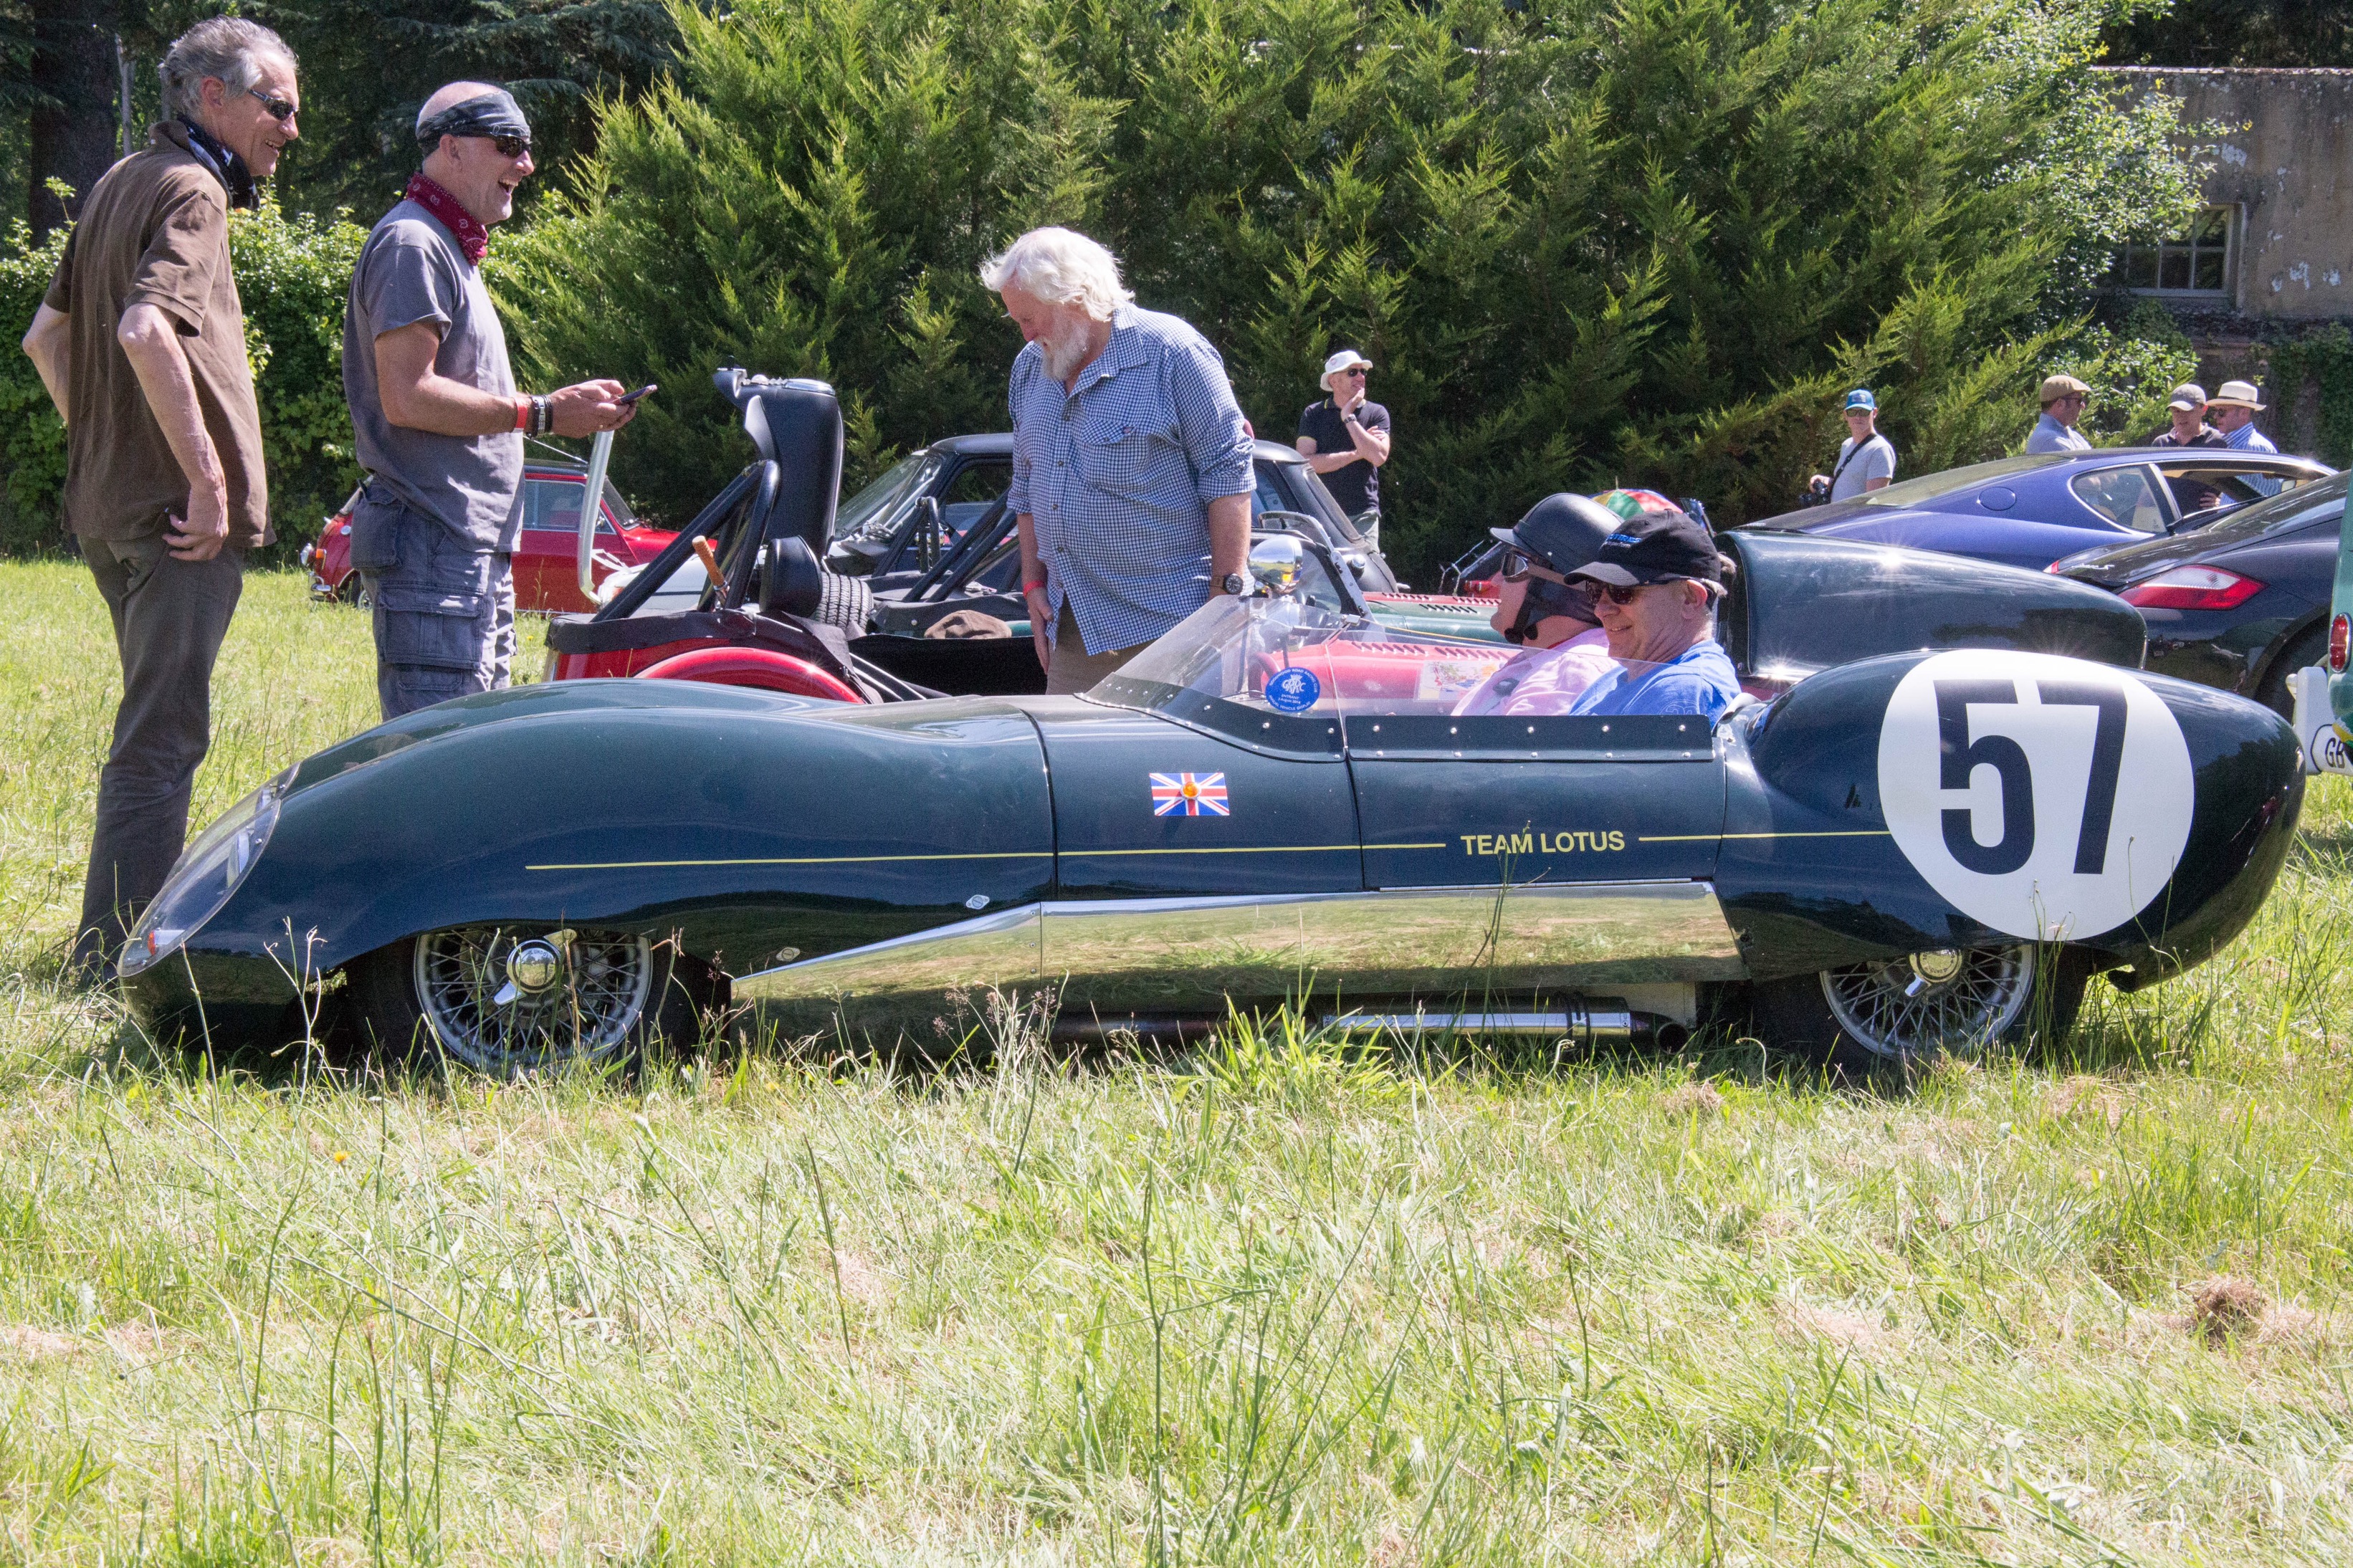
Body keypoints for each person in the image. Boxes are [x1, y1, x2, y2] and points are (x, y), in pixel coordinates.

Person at [18, 18, 300, 984]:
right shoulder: (192, 188)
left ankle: (111, 947)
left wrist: (109, 446)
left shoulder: (118, 182)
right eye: (278, 106)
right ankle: (113, 964)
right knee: (161, 741)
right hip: (176, 522)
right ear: (213, 97)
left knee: (152, 731)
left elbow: (45, 339)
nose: (291, 128)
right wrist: (206, 479)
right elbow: (146, 329)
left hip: (115, 510)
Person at [342, 81, 636, 720]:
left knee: (469, 748)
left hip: (460, 547)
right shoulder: (413, 244)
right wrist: (545, 413)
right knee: (440, 757)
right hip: (433, 541)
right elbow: (408, 396)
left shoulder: (446, 246)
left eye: (527, 147)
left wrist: (556, 407)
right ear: (450, 147)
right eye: (508, 144)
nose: (525, 164)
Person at [983, 226, 1254, 694]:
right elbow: (1026, 487)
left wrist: (1223, 606)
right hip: (1075, 631)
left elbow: (1228, 474)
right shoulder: (1030, 368)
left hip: (1177, 630)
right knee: (1069, 746)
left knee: (1173, 749)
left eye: (1030, 318)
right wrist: (1031, 584)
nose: (1026, 334)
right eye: (1017, 320)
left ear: (1074, 299)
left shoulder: (1172, 353)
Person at [1565, 504, 1742, 720]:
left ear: (1690, 599)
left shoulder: (1684, 689)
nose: (1600, 610)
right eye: (1595, 590)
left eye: (1621, 591)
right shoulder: (1616, 679)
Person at [1450, 493, 1618, 717]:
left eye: (1513, 565)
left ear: (1555, 589)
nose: (1497, 581)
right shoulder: (1546, 657)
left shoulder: (1570, 673)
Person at [1295, 349, 1390, 543]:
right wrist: (1357, 454)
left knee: (1366, 563)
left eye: (1363, 371)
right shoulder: (1313, 414)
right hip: (1321, 513)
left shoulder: (1376, 412)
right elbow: (1305, 463)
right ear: (1334, 380)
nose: (1361, 377)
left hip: (1363, 514)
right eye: (1352, 372)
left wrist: (1348, 417)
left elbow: (1379, 457)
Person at [1808, 388, 1895, 502]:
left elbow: (1875, 501)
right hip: (1839, 512)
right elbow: (1851, 485)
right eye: (1852, 412)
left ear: (1874, 413)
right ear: (1845, 415)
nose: (1858, 417)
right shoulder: (1847, 445)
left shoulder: (1880, 449)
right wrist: (1828, 482)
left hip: (1859, 514)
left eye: (1863, 412)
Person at [2208, 379, 2284, 496]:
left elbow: (2263, 500)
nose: (2215, 416)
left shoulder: (2254, 449)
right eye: (2216, 411)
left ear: (2244, 413)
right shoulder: (2234, 445)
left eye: (2222, 411)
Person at [2026, 375, 2092, 453]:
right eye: (2079, 401)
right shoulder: (2049, 440)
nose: (2083, 406)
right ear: (2060, 404)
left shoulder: (2071, 435)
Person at [2150, 383, 2226, 448]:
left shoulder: (2218, 442)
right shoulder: (2161, 444)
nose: (2181, 416)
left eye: (2187, 411)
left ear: (2204, 409)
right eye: (2176, 411)